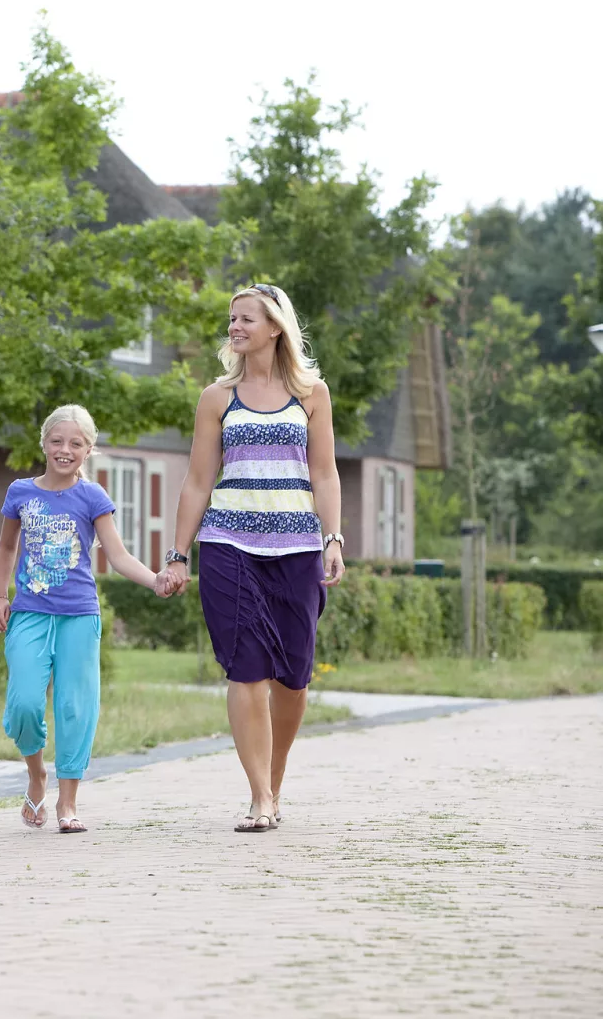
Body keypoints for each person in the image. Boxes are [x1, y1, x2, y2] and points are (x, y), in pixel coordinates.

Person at [162, 283, 346, 833]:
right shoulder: (217, 397)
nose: (235, 327)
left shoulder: (312, 393)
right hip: (228, 544)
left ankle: (275, 779)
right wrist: (178, 554)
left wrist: (332, 539)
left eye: (245, 318)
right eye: (231, 319)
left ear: (274, 328)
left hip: (296, 549)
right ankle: (259, 796)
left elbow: (325, 473)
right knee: (245, 668)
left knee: (294, 678)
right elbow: (198, 482)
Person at [0, 404, 171, 834]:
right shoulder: (20, 492)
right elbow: (5, 549)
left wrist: (155, 580)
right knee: (24, 705)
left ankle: (67, 803)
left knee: (75, 707)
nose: (64, 450)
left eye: (75, 443)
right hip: (30, 614)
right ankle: (36, 775)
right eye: (57, 441)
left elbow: (119, 555)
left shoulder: (92, 497)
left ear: (88, 450)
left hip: (78, 616)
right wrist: (0, 595)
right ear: (44, 444)